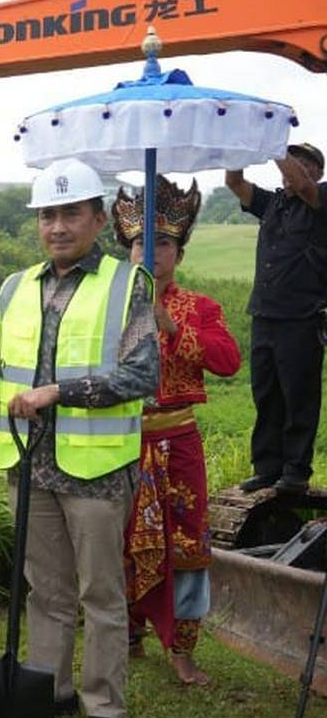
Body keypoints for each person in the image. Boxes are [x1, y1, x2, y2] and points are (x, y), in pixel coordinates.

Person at [0, 158, 159, 718]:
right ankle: (51, 688)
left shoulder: (127, 284)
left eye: (71, 213)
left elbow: (142, 373)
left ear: (98, 219)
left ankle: (105, 708)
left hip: (96, 469)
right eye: (48, 215)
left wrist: (59, 393)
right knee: (46, 589)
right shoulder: (16, 286)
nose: (58, 226)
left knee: (100, 591)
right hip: (29, 464)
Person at [112, 178, 241, 686]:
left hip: (178, 441)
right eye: (141, 242)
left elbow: (228, 361)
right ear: (128, 249)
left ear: (179, 254)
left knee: (187, 543)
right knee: (118, 539)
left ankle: (183, 649)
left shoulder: (200, 307)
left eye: (162, 243)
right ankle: (126, 634)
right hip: (120, 438)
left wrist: (170, 326)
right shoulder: (107, 303)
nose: (151, 252)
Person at [225, 142, 327, 495]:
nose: (290, 168)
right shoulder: (273, 203)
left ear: (316, 170)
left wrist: (271, 141)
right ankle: (267, 467)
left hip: (302, 317)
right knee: (266, 393)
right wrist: (236, 145)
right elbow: (234, 183)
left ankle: (296, 471)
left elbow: (303, 187)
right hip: (264, 314)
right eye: (289, 159)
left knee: (299, 394)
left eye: (300, 162)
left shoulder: (319, 199)